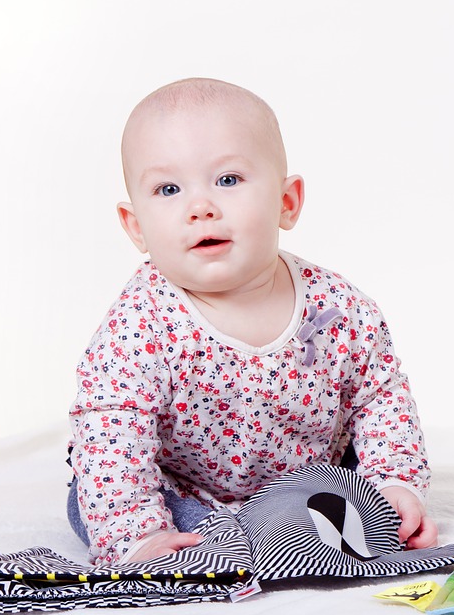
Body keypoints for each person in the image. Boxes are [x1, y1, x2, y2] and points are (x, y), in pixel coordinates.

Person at [68, 78, 434, 566]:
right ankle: (208, 539)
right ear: (136, 227)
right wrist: (136, 533)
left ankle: (302, 525)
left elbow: (380, 398)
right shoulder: (138, 326)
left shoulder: (339, 308)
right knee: (101, 499)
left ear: (287, 203)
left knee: (353, 498)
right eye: (168, 189)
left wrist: (396, 482)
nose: (201, 208)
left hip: (309, 476)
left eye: (228, 180)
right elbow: (112, 432)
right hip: (178, 488)